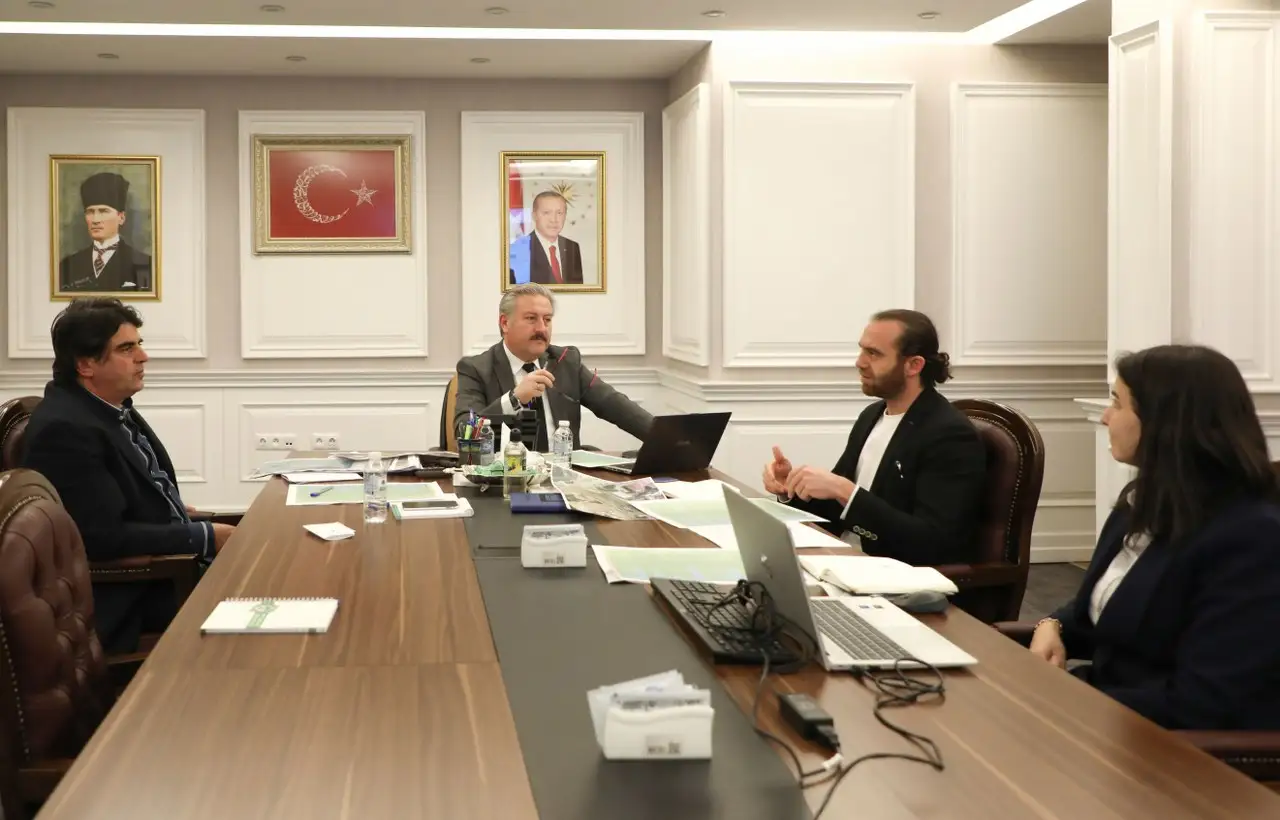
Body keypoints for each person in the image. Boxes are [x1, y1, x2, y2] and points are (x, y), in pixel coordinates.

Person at [1026, 345, 1280, 731]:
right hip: (1106, 718)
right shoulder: (1142, 503)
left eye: (1117, 402)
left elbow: (1204, 703)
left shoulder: (1250, 538)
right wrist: (1052, 625)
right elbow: (1099, 611)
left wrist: (1065, 702)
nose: (1106, 417)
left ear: (1165, 422)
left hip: (1166, 748)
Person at [21, 298, 232, 653]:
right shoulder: (66, 429)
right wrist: (204, 536)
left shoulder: (107, 408)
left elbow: (125, 496)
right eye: (126, 348)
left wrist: (174, 512)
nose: (142, 357)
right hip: (141, 593)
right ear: (86, 364)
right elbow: (102, 538)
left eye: (139, 344)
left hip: (171, 570)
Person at [761, 309, 986, 565]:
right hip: (841, 559)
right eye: (862, 350)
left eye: (874, 353)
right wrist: (791, 488)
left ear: (914, 365)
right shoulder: (872, 415)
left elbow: (932, 542)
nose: (860, 362)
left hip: (890, 573)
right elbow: (836, 511)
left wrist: (845, 491)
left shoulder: (949, 435)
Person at [454, 283, 652, 452]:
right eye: (531, 318)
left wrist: (663, 438)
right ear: (505, 323)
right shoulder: (475, 369)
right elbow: (465, 432)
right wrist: (514, 399)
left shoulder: (565, 362)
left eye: (547, 319)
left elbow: (613, 404)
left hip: (563, 475)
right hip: (503, 477)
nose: (542, 328)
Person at [58, 171, 153, 293]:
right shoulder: (67, 265)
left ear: (121, 217)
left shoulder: (144, 264)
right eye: (90, 212)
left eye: (103, 211)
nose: (95, 220)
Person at [508, 191, 585, 286]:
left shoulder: (572, 247)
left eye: (559, 213)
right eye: (546, 213)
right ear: (534, 216)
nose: (554, 220)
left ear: (565, 216)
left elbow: (577, 289)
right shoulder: (518, 249)